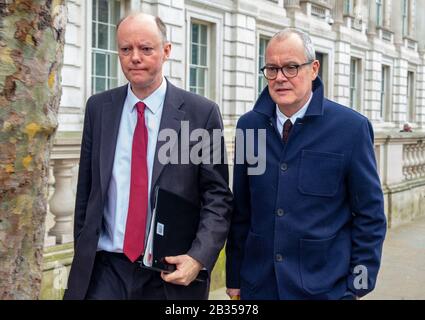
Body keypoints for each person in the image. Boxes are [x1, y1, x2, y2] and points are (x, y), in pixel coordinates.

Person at [64, 13, 232, 300]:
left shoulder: (201, 114)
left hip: (168, 274)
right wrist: (83, 248)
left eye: (146, 48)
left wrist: (198, 258)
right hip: (105, 269)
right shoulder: (99, 108)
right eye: (126, 49)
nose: (135, 58)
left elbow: (218, 198)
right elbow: (86, 190)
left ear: (166, 51)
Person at [225, 28, 387, 300]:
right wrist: (233, 277)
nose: (280, 78)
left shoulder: (351, 128)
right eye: (272, 69)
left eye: (290, 67)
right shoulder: (248, 126)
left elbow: (370, 216)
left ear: (313, 69)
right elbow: (241, 211)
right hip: (258, 288)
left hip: (325, 290)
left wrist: (358, 286)